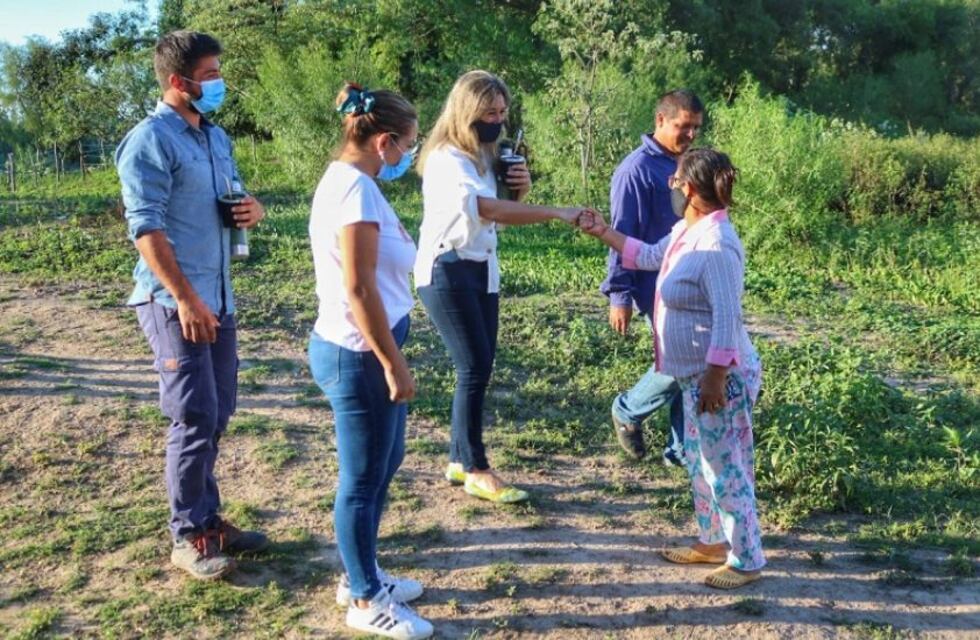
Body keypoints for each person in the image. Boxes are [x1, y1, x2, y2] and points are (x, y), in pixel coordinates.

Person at [116, 30, 268, 581]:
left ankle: (208, 517)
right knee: (193, 414)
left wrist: (254, 208)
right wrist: (184, 297)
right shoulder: (149, 140)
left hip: (218, 296)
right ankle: (187, 536)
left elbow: (235, 196)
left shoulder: (215, 137)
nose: (219, 83)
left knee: (219, 409)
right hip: (173, 300)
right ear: (178, 82)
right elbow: (146, 229)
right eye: (209, 76)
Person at [578, 148, 765, 589]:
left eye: (677, 181)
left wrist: (716, 377)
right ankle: (712, 542)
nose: (672, 188)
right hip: (692, 376)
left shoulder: (717, 245)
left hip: (718, 379)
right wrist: (604, 232)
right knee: (700, 463)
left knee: (726, 468)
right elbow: (647, 255)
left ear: (693, 189)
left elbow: (727, 318)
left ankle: (747, 558)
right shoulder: (688, 229)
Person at [414, 70, 589, 504]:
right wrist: (555, 212)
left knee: (479, 365)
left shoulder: (484, 156)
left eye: (502, 112)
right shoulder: (447, 158)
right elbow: (486, 208)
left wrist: (521, 190)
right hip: (447, 269)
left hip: (479, 267)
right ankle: (476, 467)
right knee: (472, 366)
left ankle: (459, 458)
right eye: (489, 112)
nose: (497, 119)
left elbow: (502, 208)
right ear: (467, 111)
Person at [307, 83, 433, 640]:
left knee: (385, 463)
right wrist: (392, 361)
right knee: (361, 480)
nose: (408, 154)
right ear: (383, 141)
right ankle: (363, 599)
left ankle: (363, 572)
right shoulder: (354, 191)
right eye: (407, 143)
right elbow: (358, 289)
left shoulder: (349, 181)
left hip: (365, 349)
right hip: (358, 353)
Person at [601, 90, 704, 464]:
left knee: (688, 367)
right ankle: (629, 409)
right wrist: (619, 295)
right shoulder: (636, 170)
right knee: (684, 360)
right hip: (653, 284)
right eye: (683, 126)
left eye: (696, 128)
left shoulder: (685, 162)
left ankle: (680, 451)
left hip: (687, 281)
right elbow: (622, 232)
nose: (690, 134)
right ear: (660, 120)